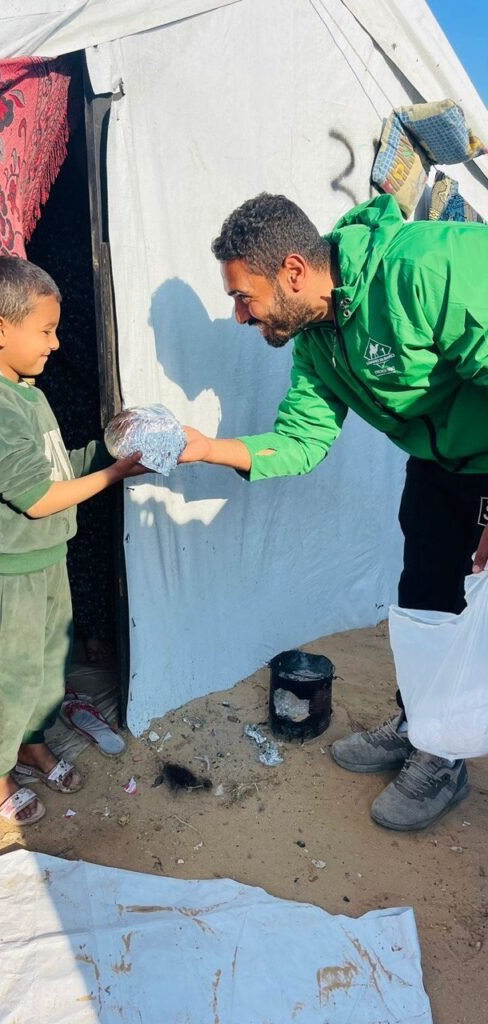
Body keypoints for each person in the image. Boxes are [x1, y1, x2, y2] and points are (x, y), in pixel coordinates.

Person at [180, 191, 488, 832]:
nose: (239, 316)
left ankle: (445, 757)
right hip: (436, 468)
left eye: (244, 297)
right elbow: (301, 440)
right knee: (424, 603)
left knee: (470, 619)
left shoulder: (427, 267)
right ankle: (420, 725)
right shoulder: (317, 344)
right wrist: (207, 449)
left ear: (292, 271)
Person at [0, 256, 142, 825]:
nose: (56, 344)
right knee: (5, 672)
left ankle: (29, 742)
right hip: (9, 570)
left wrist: (110, 454)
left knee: (47, 664)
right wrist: (112, 477)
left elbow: (57, 469)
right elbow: (36, 497)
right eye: (47, 330)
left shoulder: (27, 395)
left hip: (46, 558)